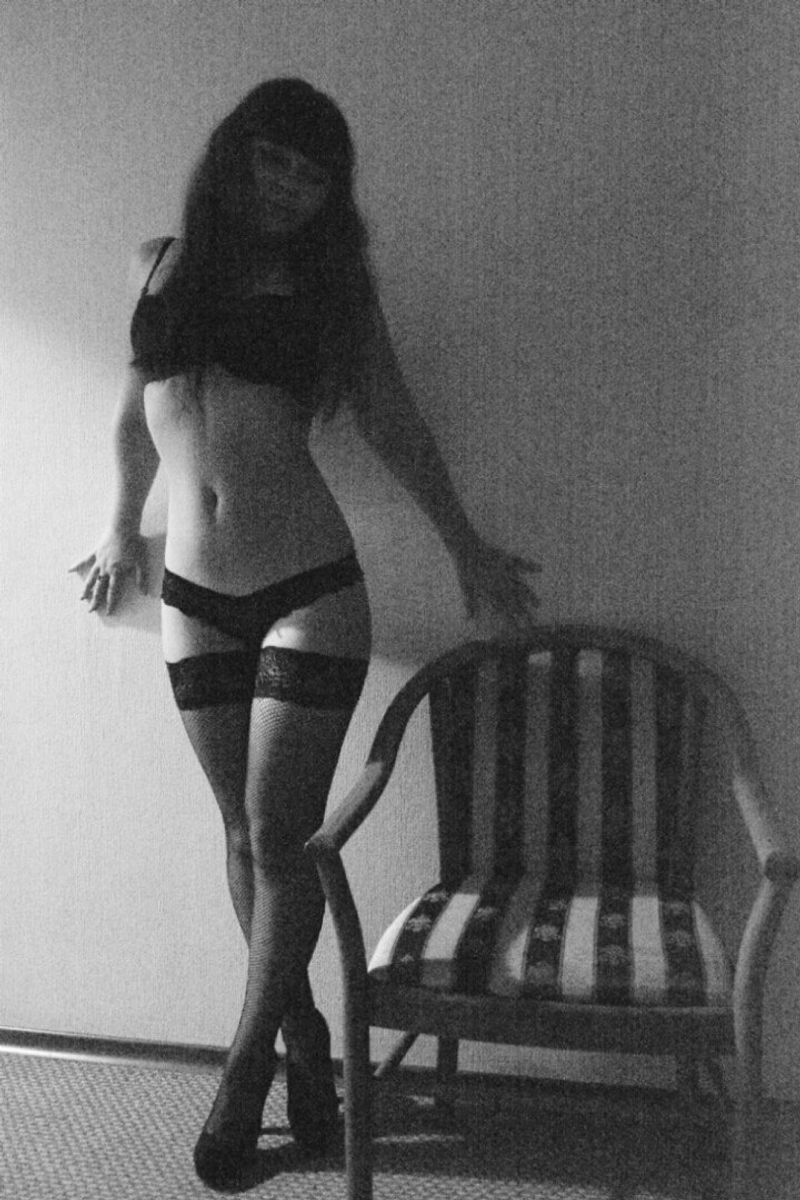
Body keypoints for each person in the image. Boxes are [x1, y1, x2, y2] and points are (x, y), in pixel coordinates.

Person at [70, 78, 540, 1189]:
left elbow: (392, 420)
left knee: (282, 841)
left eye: (312, 173)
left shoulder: (329, 292)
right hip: (192, 597)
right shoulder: (157, 265)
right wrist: (119, 528)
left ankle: (245, 1081)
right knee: (240, 835)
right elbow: (137, 416)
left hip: (307, 589)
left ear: (331, 193)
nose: (289, 186)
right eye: (274, 159)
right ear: (234, 154)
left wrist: (464, 543)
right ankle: (304, 1041)